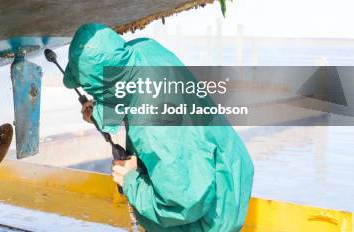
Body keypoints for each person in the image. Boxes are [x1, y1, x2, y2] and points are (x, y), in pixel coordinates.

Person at [63, 23, 254, 231]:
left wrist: (130, 181)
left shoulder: (155, 129)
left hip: (210, 213)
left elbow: (184, 204)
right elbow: (128, 87)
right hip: (225, 165)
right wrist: (99, 113)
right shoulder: (143, 50)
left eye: (93, 89)